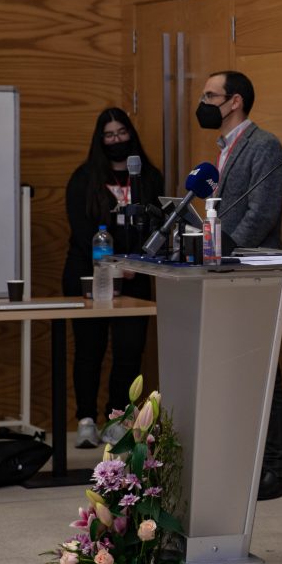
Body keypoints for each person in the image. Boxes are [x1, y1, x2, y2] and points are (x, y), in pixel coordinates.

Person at [196, 70, 282, 500]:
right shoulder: (224, 149)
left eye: (209, 95)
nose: (202, 103)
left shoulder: (263, 144)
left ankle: (275, 467)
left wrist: (225, 251)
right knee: (238, 369)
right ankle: (242, 461)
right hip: (228, 269)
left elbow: (262, 212)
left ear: (234, 101)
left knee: (263, 370)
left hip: (252, 269)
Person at [62, 107, 163, 448]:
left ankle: (118, 418)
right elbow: (81, 230)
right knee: (89, 348)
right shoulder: (84, 178)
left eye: (121, 133)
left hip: (136, 276)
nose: (116, 139)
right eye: (109, 135)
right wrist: (114, 265)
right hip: (89, 275)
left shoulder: (149, 177)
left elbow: (158, 224)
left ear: (130, 134)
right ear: (100, 139)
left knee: (129, 350)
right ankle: (86, 420)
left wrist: (137, 261)